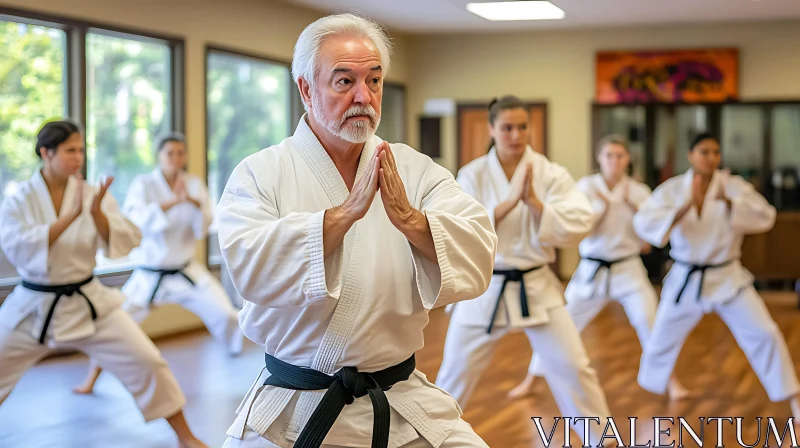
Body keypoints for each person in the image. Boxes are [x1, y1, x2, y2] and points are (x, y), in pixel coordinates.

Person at [217, 13, 498, 448]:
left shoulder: (414, 170)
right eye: (344, 81)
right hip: (295, 407)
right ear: (306, 89)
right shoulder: (259, 174)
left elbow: (477, 245)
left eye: (374, 80)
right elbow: (250, 266)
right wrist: (342, 215)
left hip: (399, 399)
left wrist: (411, 220)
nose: (363, 96)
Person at [0, 120, 208, 447]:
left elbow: (127, 238)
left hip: (88, 300)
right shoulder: (20, 199)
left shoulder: (89, 193)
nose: (78, 157)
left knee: (147, 360)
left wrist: (96, 213)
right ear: (46, 152)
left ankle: (186, 436)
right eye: (70, 150)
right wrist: (69, 216)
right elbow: (18, 247)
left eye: (81, 150)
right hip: (33, 305)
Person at [434, 96, 612, 446]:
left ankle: (600, 439)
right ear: (492, 129)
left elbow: (581, 220)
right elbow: (453, 226)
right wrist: (505, 205)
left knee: (574, 366)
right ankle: (428, 438)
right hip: (485, 287)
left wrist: (534, 203)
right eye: (507, 128)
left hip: (536, 286)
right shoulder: (473, 174)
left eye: (522, 127)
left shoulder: (549, 173)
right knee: (453, 375)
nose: (516, 135)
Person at [634, 132, 800, 417]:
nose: (711, 158)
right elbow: (645, 224)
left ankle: (794, 398)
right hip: (686, 280)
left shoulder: (733, 187)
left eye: (715, 152)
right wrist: (686, 205)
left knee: (765, 333)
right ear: (690, 155)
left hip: (728, 278)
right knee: (659, 339)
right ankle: (661, 389)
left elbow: (766, 216)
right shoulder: (674, 190)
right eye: (704, 152)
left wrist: (729, 202)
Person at [516, 134, 689, 400]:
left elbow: (648, 241)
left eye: (620, 156)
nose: (615, 161)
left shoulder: (639, 192)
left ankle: (671, 381)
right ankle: (531, 380)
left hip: (628, 268)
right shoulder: (585, 188)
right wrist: (604, 208)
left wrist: (632, 207)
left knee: (649, 320)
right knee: (561, 324)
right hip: (591, 270)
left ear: (628, 159)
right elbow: (579, 233)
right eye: (609, 155)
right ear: (600, 158)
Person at [74, 131, 244, 394]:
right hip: (149, 275)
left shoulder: (194, 183)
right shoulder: (144, 184)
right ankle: (91, 378)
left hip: (186, 271)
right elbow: (135, 221)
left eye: (180, 153)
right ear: (159, 155)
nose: (176, 158)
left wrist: (193, 201)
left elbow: (205, 225)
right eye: (170, 153)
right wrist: (172, 202)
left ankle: (236, 359)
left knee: (226, 313)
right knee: (116, 324)